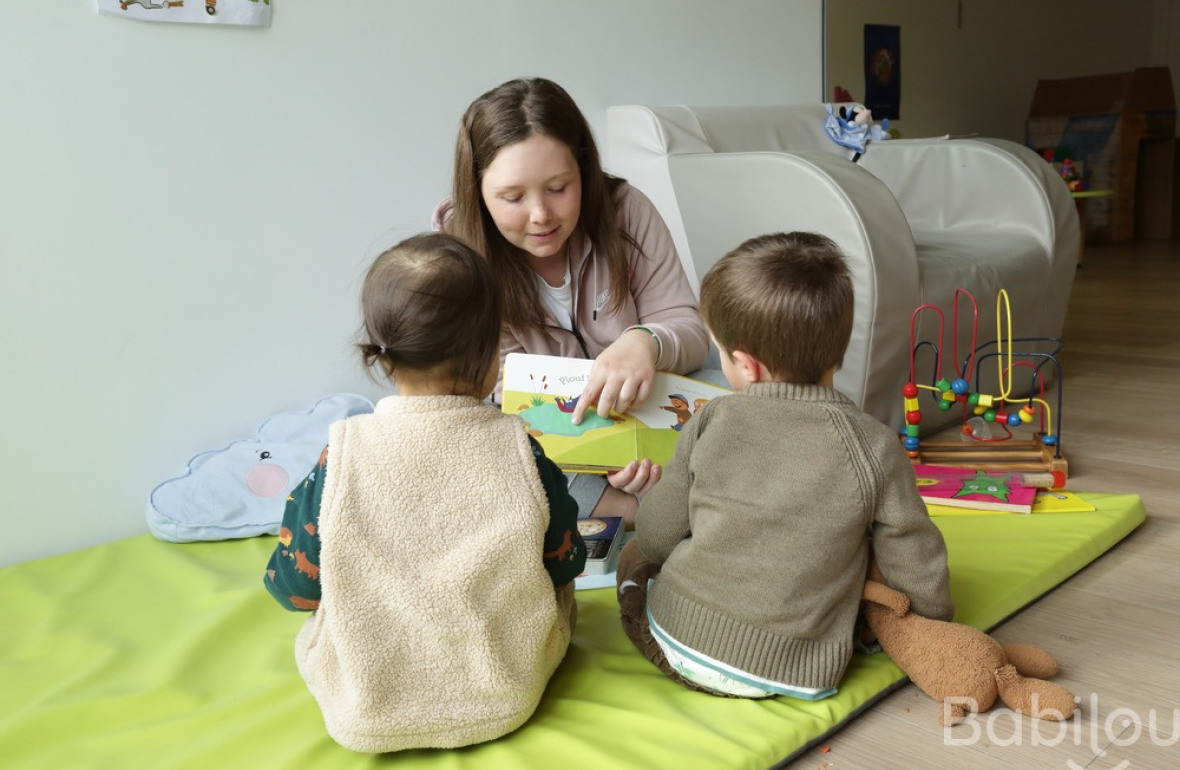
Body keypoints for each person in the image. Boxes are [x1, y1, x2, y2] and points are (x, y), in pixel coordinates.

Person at [263, 232, 586, 753]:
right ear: (490, 358)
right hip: (504, 692)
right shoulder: (519, 451)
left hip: (363, 707)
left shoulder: (341, 456)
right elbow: (564, 562)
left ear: (383, 357)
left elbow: (293, 588)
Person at [615, 231, 954, 699]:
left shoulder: (713, 417)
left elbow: (656, 537)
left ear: (746, 366)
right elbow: (914, 553)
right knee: (864, 552)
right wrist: (927, 619)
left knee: (635, 559)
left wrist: (647, 504)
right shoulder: (875, 443)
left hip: (680, 641)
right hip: (800, 668)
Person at [434, 77, 709, 525]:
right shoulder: (457, 256)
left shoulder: (626, 213)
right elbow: (502, 393)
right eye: (513, 197)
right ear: (477, 190)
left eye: (559, 188)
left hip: (647, 417)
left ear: (584, 169)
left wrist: (645, 342)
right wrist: (603, 450)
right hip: (547, 444)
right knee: (474, 460)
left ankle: (642, 505)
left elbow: (688, 329)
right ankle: (648, 509)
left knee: (731, 397)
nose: (541, 215)